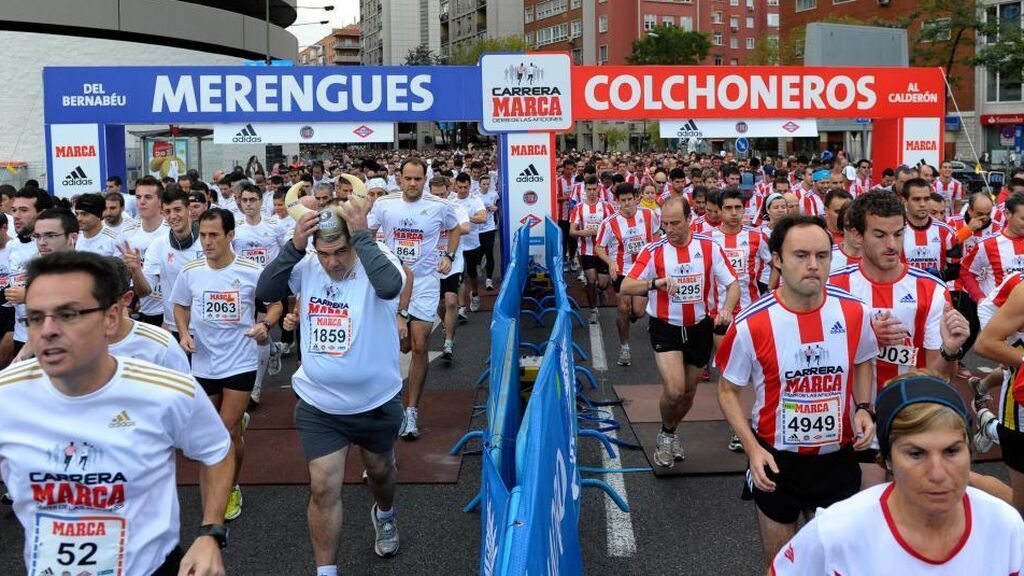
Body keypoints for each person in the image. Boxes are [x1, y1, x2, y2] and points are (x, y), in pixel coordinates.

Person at [0, 251, 234, 576]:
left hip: (152, 567)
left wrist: (211, 533)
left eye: (68, 314)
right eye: (36, 317)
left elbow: (217, 450)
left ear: (111, 317)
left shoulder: (166, 390)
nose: (48, 330)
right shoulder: (6, 397)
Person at [256, 190, 409, 571]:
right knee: (323, 487)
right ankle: (327, 570)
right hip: (320, 404)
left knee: (380, 472)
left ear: (353, 240)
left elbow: (391, 287)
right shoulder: (307, 264)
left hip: (375, 401)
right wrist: (294, 246)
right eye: (323, 253)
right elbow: (264, 293)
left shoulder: (377, 257)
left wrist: (362, 238)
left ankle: (385, 513)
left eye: (340, 251)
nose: (332, 262)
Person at [717, 215, 877, 567]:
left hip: (838, 459)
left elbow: (865, 360)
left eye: (822, 256)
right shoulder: (751, 323)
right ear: (776, 259)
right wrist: (752, 449)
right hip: (778, 462)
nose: (813, 265)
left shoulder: (853, 312)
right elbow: (728, 391)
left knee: (842, 567)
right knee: (783, 567)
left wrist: (864, 407)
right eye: (801, 255)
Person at [770, 373, 1024, 574]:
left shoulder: (1005, 526)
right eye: (916, 454)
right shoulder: (835, 533)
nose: (937, 473)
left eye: (951, 451)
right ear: (888, 459)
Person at [829, 191, 971, 486]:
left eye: (898, 234)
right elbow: (818, 360)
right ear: (856, 235)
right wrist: (866, 339)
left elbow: (936, 375)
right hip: (851, 421)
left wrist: (950, 350)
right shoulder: (835, 287)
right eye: (880, 235)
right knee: (866, 513)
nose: (892, 245)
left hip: (909, 417)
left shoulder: (930, 289)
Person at [172, 208, 282, 522]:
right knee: (212, 432)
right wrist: (183, 333)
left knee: (225, 431)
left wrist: (266, 326)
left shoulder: (251, 271)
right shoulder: (191, 270)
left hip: (240, 360)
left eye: (213, 235)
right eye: (202, 235)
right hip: (204, 362)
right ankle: (236, 430)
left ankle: (231, 486)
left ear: (230, 236)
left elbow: (275, 304)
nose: (206, 242)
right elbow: (180, 305)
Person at [621, 196, 738, 467]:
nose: (669, 229)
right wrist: (654, 283)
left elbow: (733, 285)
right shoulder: (654, 250)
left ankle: (672, 430)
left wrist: (728, 309)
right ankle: (665, 433)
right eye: (665, 224)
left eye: (675, 223)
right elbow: (626, 285)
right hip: (666, 327)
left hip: (699, 327)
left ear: (689, 220)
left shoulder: (709, 248)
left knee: (688, 393)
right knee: (674, 390)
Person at [368, 157, 460, 439]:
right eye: (407, 178)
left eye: (417, 179)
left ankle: (410, 412)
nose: (412, 184)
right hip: (392, 283)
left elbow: (454, 229)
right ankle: (391, 402)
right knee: (400, 346)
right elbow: (368, 234)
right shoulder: (384, 205)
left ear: (425, 178)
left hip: (424, 284)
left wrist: (449, 255)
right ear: (399, 178)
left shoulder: (439, 206)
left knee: (419, 346)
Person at [124, 187, 205, 341]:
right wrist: (136, 271)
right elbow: (144, 291)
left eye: (177, 210)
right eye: (167, 211)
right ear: (162, 213)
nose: (173, 216)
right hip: (176, 327)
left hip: (208, 327)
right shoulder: (158, 246)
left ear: (188, 209)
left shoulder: (207, 240)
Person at [595, 183, 660, 366]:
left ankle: (631, 316)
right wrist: (610, 263)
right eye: (623, 201)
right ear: (618, 202)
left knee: (639, 312)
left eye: (630, 199)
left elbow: (655, 237)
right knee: (623, 308)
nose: (627, 204)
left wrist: (657, 261)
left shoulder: (649, 215)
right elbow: (598, 247)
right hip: (622, 270)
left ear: (636, 198)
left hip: (643, 270)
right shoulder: (609, 222)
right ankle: (624, 348)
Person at [117, 176, 170, 327]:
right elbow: (122, 274)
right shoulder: (127, 233)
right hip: (139, 308)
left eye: (148, 197)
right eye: (138, 197)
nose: (141, 202)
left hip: (168, 312)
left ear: (160, 201)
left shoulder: (170, 232)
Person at [7, 187, 54, 356]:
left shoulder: (52, 246)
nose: (16, 216)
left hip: (51, 337)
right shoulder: (12, 246)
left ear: (42, 213)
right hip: (21, 334)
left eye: (24, 210)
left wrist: (28, 295)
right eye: (14, 210)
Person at [570, 175, 616, 324]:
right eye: (588, 189)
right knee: (590, 281)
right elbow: (572, 232)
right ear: (585, 190)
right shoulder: (579, 208)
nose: (592, 192)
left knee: (603, 283)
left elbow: (615, 227)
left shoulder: (607, 207)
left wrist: (603, 232)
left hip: (603, 251)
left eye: (594, 189)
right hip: (586, 250)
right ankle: (593, 310)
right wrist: (584, 232)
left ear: (599, 189)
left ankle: (601, 290)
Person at [449, 173, 487, 319]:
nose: (463, 190)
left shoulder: (475, 200)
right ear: (455, 186)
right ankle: (461, 307)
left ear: (470, 186)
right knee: (459, 275)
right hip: (456, 244)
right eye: (460, 187)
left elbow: (483, 218)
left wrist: (464, 216)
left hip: (472, 244)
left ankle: (475, 293)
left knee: (472, 274)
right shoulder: (450, 200)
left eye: (466, 187)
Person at [477, 174, 499, 291]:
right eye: (483, 184)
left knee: (489, 252)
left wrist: (496, 208)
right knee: (480, 251)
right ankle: (479, 263)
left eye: (487, 184)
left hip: (489, 227)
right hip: (478, 228)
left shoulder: (494, 195)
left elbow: (498, 206)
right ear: (479, 185)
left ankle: (489, 280)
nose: (485, 186)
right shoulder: (475, 196)